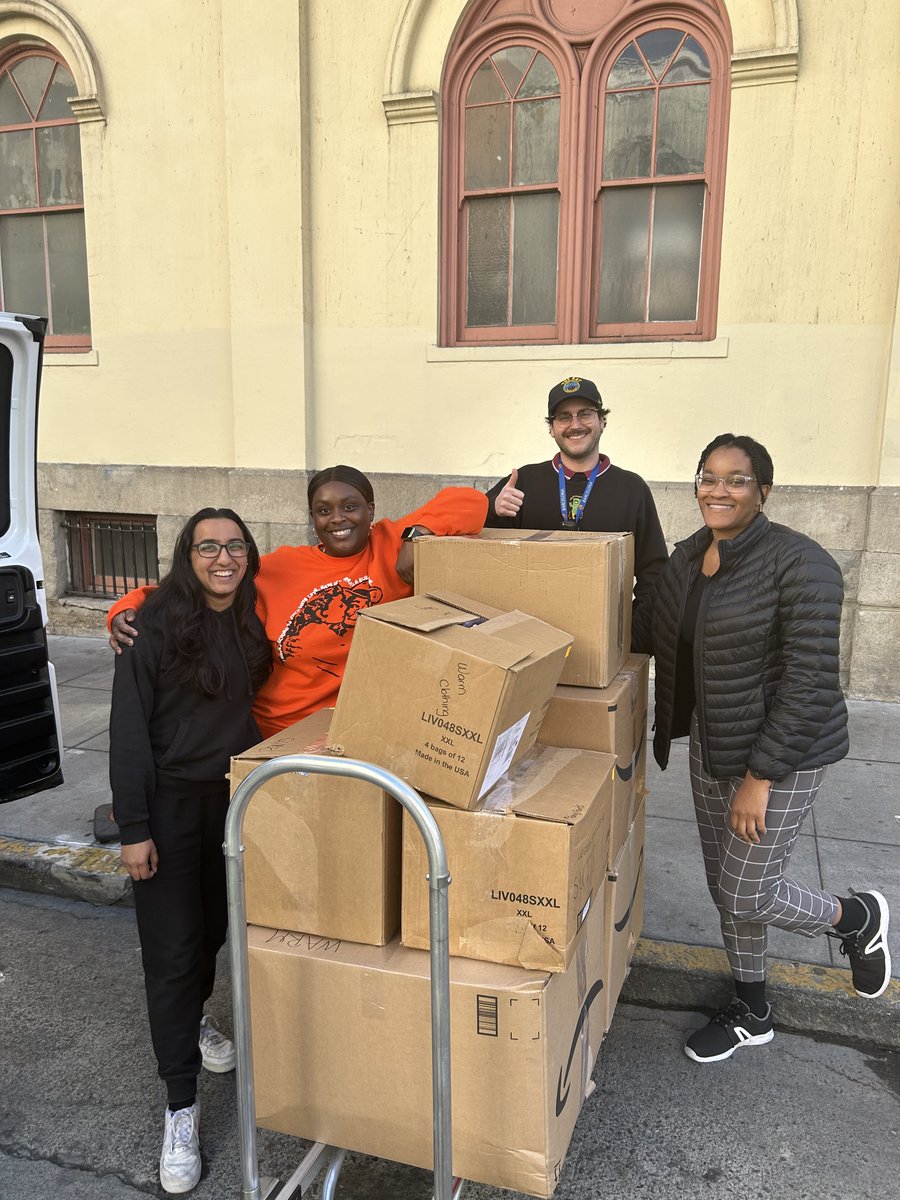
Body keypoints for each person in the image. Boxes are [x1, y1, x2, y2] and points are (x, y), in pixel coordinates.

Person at [632, 433, 891, 1064]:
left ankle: (853, 918)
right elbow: (642, 628)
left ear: (763, 490)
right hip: (712, 743)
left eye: (736, 479)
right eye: (708, 476)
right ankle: (753, 1008)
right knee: (728, 888)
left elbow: (808, 683)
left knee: (749, 892)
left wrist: (761, 776)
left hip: (783, 753)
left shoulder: (803, 564)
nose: (717, 489)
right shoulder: (689, 559)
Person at [110, 508, 271, 1193]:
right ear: (187, 554)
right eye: (209, 547)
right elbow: (127, 732)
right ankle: (180, 1105)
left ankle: (196, 1019)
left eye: (234, 546)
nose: (223, 558)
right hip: (169, 811)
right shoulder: (151, 624)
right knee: (171, 954)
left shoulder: (250, 619)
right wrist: (134, 829)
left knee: (210, 935)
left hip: (231, 807)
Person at [108, 468, 488, 736]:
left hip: (358, 724)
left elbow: (471, 501)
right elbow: (200, 586)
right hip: (279, 725)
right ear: (313, 518)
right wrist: (128, 604)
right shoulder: (281, 566)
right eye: (324, 510)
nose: (338, 518)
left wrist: (417, 534)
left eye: (350, 506)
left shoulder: (389, 542)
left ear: (370, 510)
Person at [484, 376, 668, 631]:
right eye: (563, 417)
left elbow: (654, 572)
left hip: (602, 633)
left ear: (602, 421)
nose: (575, 425)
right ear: (551, 428)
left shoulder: (632, 488)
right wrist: (492, 507)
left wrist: (632, 630)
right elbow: (473, 540)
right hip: (530, 632)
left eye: (585, 414)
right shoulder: (523, 481)